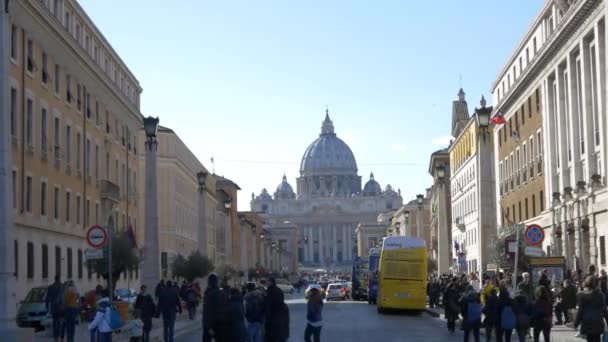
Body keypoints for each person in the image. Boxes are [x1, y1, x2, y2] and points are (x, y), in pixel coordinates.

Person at [575, 276, 608, 342]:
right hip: (598, 322)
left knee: (589, 339)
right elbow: (604, 310)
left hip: (587, 322)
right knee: (597, 338)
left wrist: (576, 323)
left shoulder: (581, 295)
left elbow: (580, 311)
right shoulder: (600, 295)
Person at [265, 278, 290, 342]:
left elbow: (268, 305)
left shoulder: (270, 291)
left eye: (267, 282)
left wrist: (267, 317)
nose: (266, 283)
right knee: (280, 335)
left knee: (272, 336)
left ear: (271, 282)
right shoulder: (278, 290)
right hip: (280, 316)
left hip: (273, 318)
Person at [203, 274, 223, 342]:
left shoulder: (209, 294)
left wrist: (209, 327)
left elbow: (207, 311)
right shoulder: (221, 293)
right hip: (219, 324)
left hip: (210, 325)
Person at [46, 275, 65, 342]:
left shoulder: (50, 287)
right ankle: (61, 337)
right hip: (61, 307)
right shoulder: (62, 286)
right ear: (59, 279)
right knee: (61, 322)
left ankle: (55, 337)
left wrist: (47, 308)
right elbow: (64, 297)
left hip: (53, 308)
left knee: (55, 322)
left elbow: (47, 298)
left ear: (55, 279)